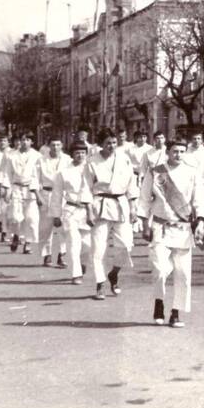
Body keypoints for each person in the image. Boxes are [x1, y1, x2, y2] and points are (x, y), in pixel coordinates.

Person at [139, 139, 204, 328]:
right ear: (167, 152)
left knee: (183, 274)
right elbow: (144, 200)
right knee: (160, 270)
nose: (178, 155)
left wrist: (201, 222)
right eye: (174, 151)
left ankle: (176, 312)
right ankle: (159, 303)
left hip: (183, 230)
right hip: (160, 228)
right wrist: (145, 224)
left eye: (181, 151)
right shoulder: (156, 172)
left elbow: (200, 201)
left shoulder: (192, 173)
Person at [85, 127, 139, 301]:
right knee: (98, 247)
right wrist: (88, 211)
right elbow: (85, 187)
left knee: (125, 245)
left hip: (120, 203)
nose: (111, 146)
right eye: (108, 143)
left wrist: (133, 207)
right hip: (100, 204)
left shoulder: (124, 159)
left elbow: (132, 184)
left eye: (114, 142)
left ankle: (114, 273)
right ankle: (100, 283)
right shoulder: (92, 161)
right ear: (101, 144)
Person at [50, 142, 93, 285]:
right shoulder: (63, 172)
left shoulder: (92, 169)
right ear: (72, 154)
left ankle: (83, 263)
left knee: (87, 244)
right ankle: (76, 274)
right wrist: (56, 215)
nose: (80, 155)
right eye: (77, 153)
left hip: (88, 211)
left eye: (83, 153)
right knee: (73, 242)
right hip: (70, 210)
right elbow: (56, 194)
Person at [4, 133, 44, 255]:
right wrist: (7, 190)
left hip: (31, 190)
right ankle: (16, 236)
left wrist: (38, 193)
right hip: (16, 187)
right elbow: (7, 173)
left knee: (31, 218)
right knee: (15, 217)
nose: (25, 142)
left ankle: (28, 243)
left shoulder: (37, 156)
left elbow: (39, 175)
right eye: (23, 139)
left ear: (31, 142)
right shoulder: (11, 156)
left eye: (28, 140)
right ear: (19, 141)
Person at [37, 137, 71, 267]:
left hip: (62, 195)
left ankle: (62, 254)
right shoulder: (41, 160)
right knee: (46, 227)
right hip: (46, 193)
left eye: (58, 145)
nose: (55, 147)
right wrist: (37, 195)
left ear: (62, 145)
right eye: (53, 145)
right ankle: (47, 254)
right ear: (48, 146)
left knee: (64, 226)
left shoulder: (67, 160)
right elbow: (35, 178)